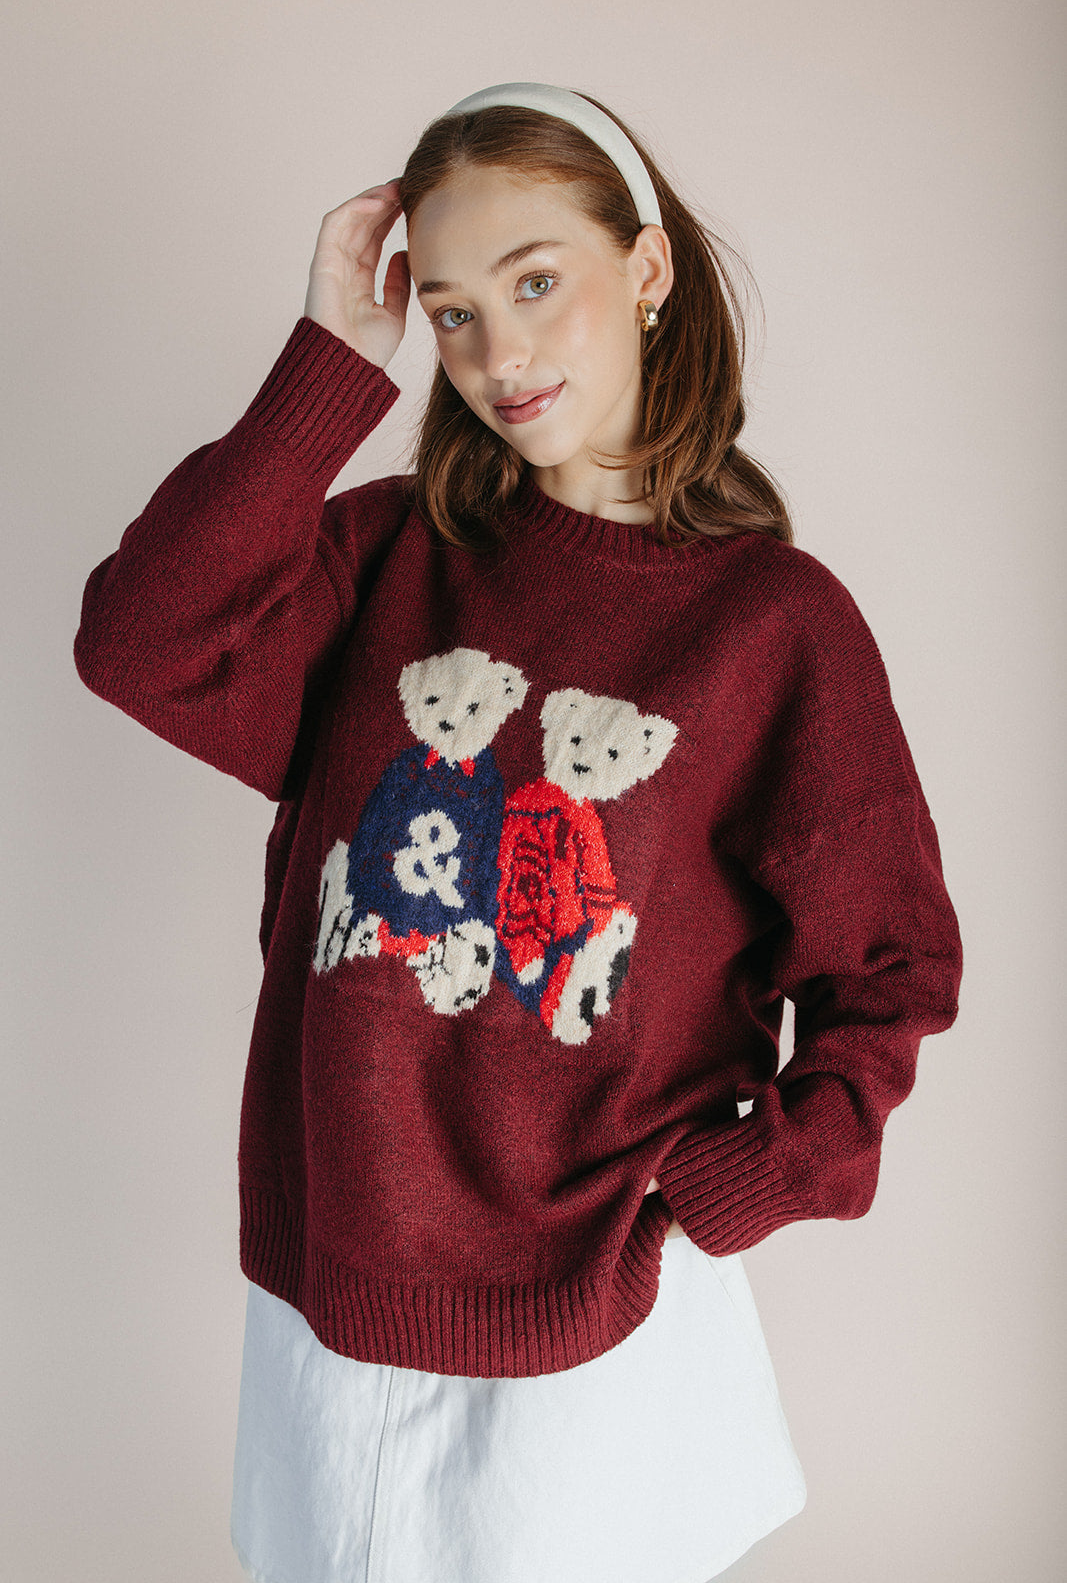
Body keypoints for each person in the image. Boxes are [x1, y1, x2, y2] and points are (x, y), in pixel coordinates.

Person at [73, 83, 964, 1583]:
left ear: (648, 268)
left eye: (536, 281)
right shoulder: (387, 554)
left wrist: (757, 1172)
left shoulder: (770, 626)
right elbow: (139, 643)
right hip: (336, 1289)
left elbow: (891, 970)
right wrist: (327, 365)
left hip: (592, 1311)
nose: (498, 354)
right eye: (453, 312)